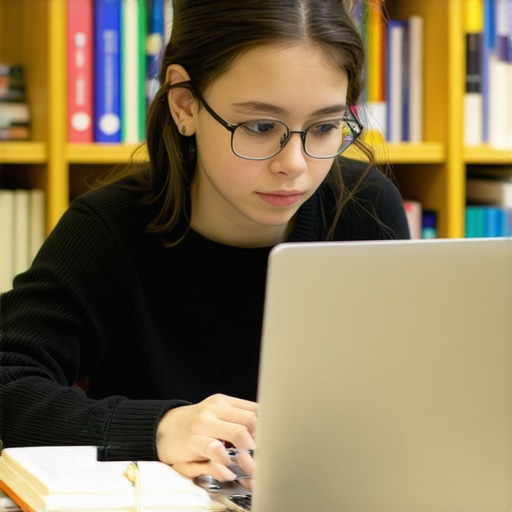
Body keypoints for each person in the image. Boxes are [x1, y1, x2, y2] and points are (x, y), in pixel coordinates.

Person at [0, 0, 409, 486]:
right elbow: (9, 380)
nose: (295, 165)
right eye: (259, 128)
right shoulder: (107, 232)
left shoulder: (364, 208)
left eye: (323, 128)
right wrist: (161, 427)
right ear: (184, 104)